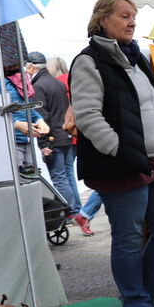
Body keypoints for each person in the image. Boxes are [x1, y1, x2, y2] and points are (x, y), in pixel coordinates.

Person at [69, 0, 154, 307]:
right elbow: (88, 116)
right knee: (129, 236)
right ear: (102, 20)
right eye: (124, 16)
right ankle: (137, 306)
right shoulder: (89, 61)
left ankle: (142, 295)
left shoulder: (138, 58)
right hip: (120, 165)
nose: (132, 21)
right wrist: (119, 150)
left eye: (133, 16)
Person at [28, 51, 88, 232]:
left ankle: (71, 212)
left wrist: (44, 143)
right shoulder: (56, 82)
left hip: (54, 137)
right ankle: (76, 211)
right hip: (65, 135)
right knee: (68, 175)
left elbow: (42, 117)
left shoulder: (38, 86)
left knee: (60, 177)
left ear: (31, 66)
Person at [0, 66, 49, 166]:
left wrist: (39, 120)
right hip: (8, 142)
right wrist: (16, 124)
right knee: (17, 173)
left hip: (28, 141)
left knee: (31, 174)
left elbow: (28, 107)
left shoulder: (20, 78)